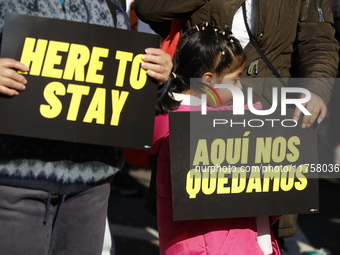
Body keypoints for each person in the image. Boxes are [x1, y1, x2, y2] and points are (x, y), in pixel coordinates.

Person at [134, 0, 339, 249]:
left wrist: (316, 89)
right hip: (197, 110)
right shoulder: (174, 112)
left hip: (266, 123)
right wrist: (175, 89)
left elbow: (318, 41)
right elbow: (148, 8)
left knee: (260, 226)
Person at [0, 1, 172, 254]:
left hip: (90, 188)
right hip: (13, 183)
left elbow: (123, 88)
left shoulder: (110, 6)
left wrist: (157, 79)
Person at [144, 22, 280, 255]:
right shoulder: (188, 130)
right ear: (208, 80)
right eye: (235, 79)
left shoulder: (172, 119)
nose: (240, 86)